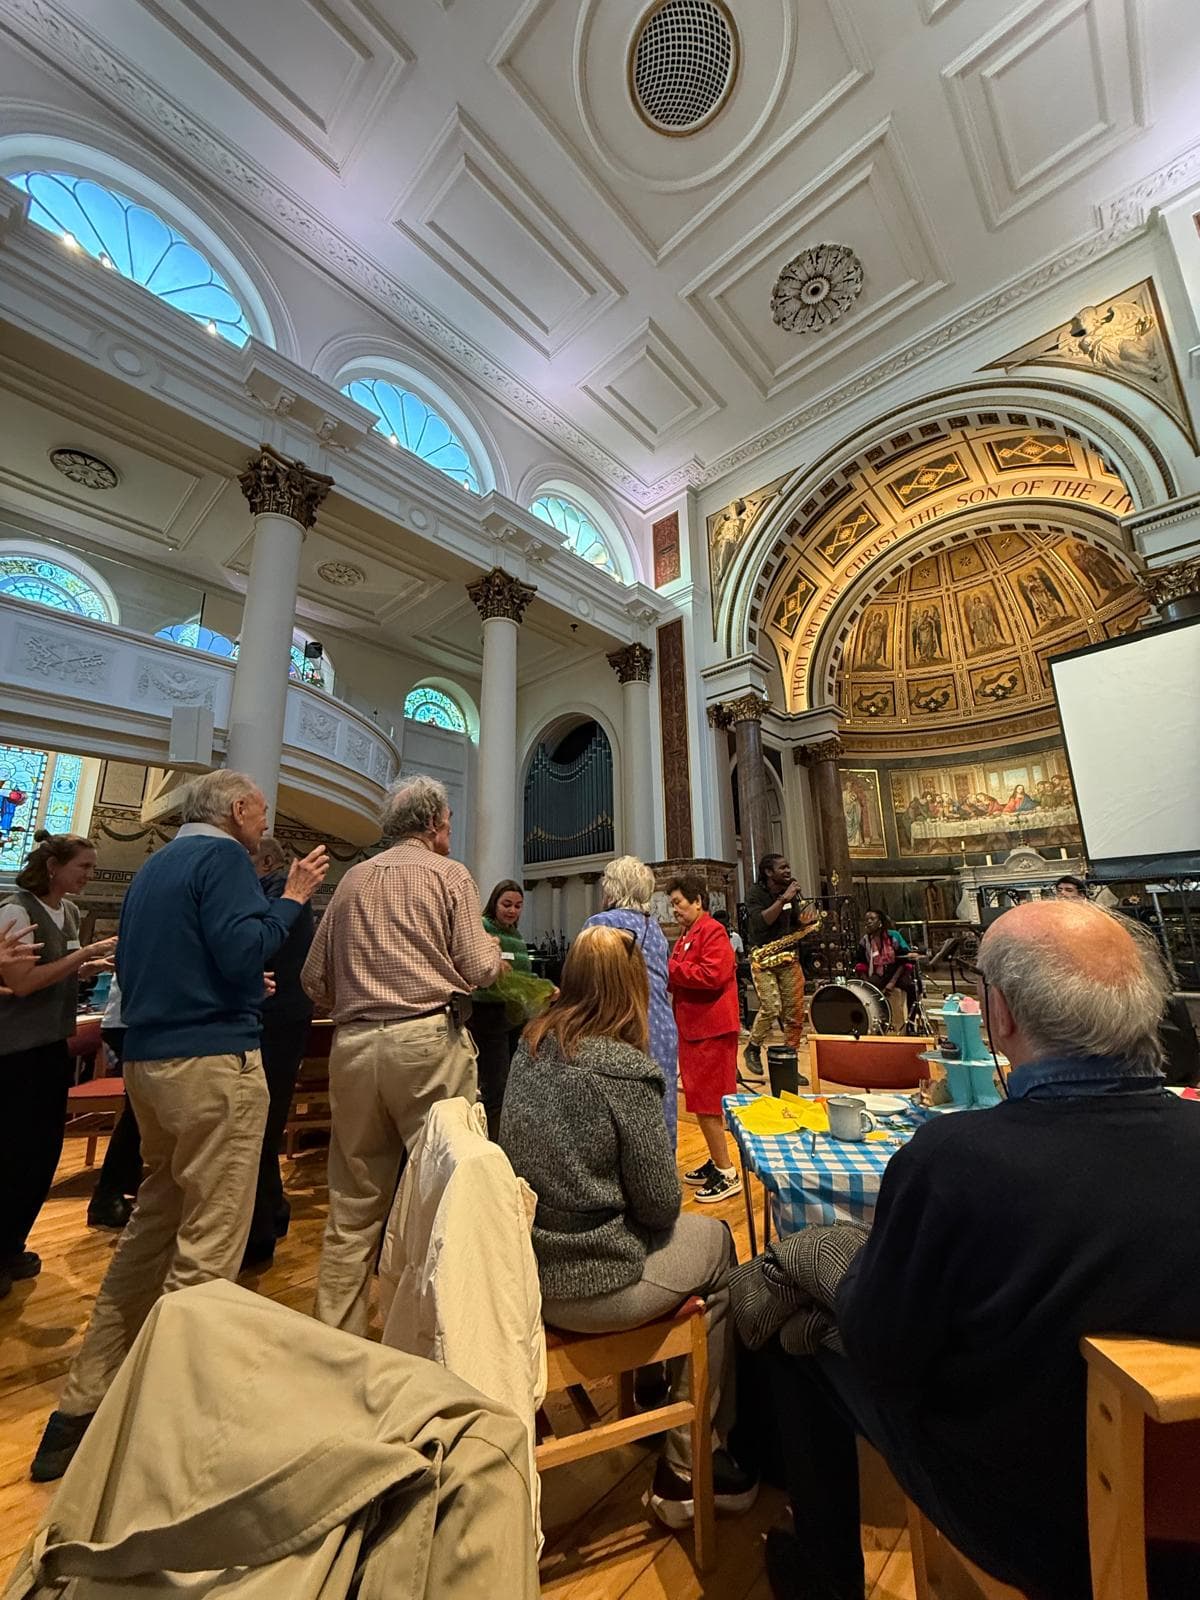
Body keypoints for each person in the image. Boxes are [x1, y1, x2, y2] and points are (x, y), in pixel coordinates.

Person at [756, 900, 1200, 1600]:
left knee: (800, 1341)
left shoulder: (955, 1162)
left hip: (1042, 1524)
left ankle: (823, 1575)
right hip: (1185, 1532)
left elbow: (885, 1362)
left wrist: (826, 1277)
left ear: (1001, 1018)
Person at [32, 771, 328, 1482]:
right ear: (234, 810)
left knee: (151, 1229)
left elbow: (148, 963)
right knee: (208, 1249)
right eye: (259, 811)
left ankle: (81, 1407)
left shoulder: (157, 866)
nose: (263, 822)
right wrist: (288, 900)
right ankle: (162, 1426)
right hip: (210, 1063)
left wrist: (231, 977)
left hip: (152, 1064)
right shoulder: (224, 858)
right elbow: (242, 948)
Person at [499, 924, 756, 1530]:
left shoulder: (531, 1044)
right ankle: (691, 1466)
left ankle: (651, 1396)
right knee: (719, 1246)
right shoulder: (623, 1071)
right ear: (633, 988)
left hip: (528, 1269)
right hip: (593, 1284)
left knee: (682, 1241)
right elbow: (661, 1207)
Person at [303, 773, 503, 1337]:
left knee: (353, 1202)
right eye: (449, 823)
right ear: (436, 824)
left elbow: (312, 978)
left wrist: (364, 995)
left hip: (355, 1047)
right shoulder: (449, 875)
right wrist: (489, 954)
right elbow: (480, 967)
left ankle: (335, 1343)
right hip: (427, 1044)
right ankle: (435, 1338)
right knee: (445, 1192)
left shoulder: (351, 881)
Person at [0, 833, 116, 1301]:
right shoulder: (17, 910)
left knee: (41, 1151)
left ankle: (12, 1243)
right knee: (10, 1151)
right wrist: (82, 956)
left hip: (51, 1045)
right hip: (15, 1051)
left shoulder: (67, 912)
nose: (88, 875)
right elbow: (22, 983)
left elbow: (57, 969)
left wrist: (82, 968)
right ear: (53, 867)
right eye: (83, 866)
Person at [241, 835, 317, 1270]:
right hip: (287, 1016)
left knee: (260, 1123)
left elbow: (262, 944)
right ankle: (271, 1211)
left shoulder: (278, 899)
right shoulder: (279, 898)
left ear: (267, 861)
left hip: (275, 1017)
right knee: (264, 1122)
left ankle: (260, 1227)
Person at [584, 855, 679, 1146]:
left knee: (618, 1110)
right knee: (659, 1103)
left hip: (620, 1024)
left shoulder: (601, 923)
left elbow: (587, 981)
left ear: (613, 889)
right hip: (661, 1026)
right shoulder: (657, 930)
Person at [667, 875, 742, 1204]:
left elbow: (713, 975)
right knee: (699, 1101)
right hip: (694, 1028)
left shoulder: (712, 931)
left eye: (678, 903)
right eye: (672, 905)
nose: (675, 911)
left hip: (711, 1029)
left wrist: (668, 968)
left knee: (710, 1104)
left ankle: (728, 1172)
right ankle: (716, 1159)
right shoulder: (687, 934)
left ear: (698, 901)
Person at [85, 975, 145, 1230]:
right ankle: (108, 1194)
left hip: (134, 1017)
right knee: (141, 1108)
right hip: (132, 1020)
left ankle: (113, 1192)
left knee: (142, 1109)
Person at [743, 854, 812, 1074]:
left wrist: (806, 922)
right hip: (763, 957)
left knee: (794, 1013)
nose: (787, 870)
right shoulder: (756, 894)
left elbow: (793, 924)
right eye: (782, 867)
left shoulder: (791, 894)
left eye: (788, 866)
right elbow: (761, 922)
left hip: (787, 957)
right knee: (772, 1007)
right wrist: (783, 899)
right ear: (768, 872)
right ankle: (753, 1048)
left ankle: (790, 1065)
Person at [855, 908, 916, 1032]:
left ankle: (908, 1025)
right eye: (866, 920)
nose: (868, 922)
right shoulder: (865, 941)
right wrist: (866, 984)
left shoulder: (893, 936)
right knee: (866, 989)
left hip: (897, 973)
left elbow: (904, 959)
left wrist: (892, 983)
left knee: (909, 987)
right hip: (878, 973)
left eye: (872, 919)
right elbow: (860, 963)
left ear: (880, 922)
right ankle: (877, 1025)